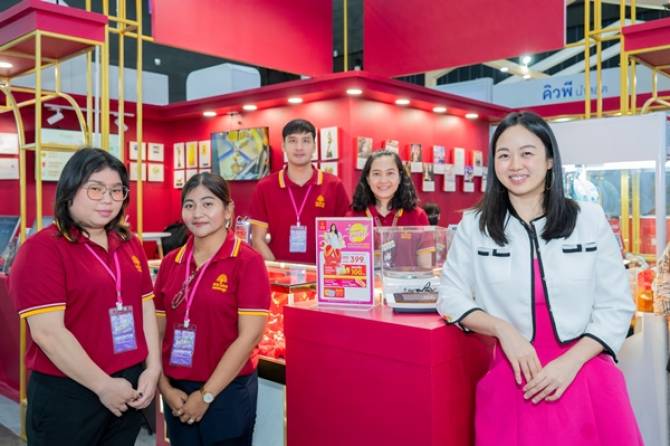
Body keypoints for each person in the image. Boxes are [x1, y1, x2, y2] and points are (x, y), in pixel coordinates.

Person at [437, 111, 642, 445]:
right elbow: (450, 295)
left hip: (586, 370)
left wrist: (569, 363)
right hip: (516, 375)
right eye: (504, 155)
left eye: (527, 153)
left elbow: (616, 305)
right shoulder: (475, 225)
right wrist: (503, 330)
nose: (515, 165)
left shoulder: (587, 219)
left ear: (549, 160)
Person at [9, 148, 160, 445]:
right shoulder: (43, 249)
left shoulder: (129, 243)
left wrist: (152, 368)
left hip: (128, 383)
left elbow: (145, 308)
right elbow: (48, 334)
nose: (108, 199)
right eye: (95, 188)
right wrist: (102, 385)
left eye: (116, 190)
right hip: (70, 390)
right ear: (70, 190)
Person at [154, 172, 270, 446]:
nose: (198, 213)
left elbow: (249, 337)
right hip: (177, 391)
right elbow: (157, 333)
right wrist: (165, 388)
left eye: (208, 204)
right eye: (190, 205)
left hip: (226, 391)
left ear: (228, 210)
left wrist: (206, 395)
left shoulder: (247, 261)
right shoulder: (171, 262)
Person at [249, 119, 350, 263]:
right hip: (279, 273)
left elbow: (343, 237)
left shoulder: (334, 185)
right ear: (283, 146)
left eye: (306, 141)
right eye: (292, 141)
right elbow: (258, 240)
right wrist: (279, 271)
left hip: (324, 271)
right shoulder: (265, 187)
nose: (299, 147)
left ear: (314, 146)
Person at [349, 150, 432, 269]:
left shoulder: (418, 215)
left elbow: (425, 267)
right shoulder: (352, 217)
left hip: (406, 281)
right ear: (367, 178)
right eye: (376, 174)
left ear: (400, 177)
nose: (383, 180)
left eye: (390, 173)